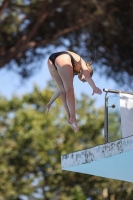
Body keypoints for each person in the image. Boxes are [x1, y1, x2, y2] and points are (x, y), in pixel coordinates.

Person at [44, 50, 102, 132]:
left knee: (62, 90)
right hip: (64, 57)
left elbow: (58, 90)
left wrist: (50, 102)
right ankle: (73, 117)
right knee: (69, 89)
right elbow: (88, 77)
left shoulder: (73, 71)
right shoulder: (84, 66)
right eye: (84, 80)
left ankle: (70, 117)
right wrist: (94, 88)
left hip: (51, 60)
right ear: (88, 72)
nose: (83, 81)